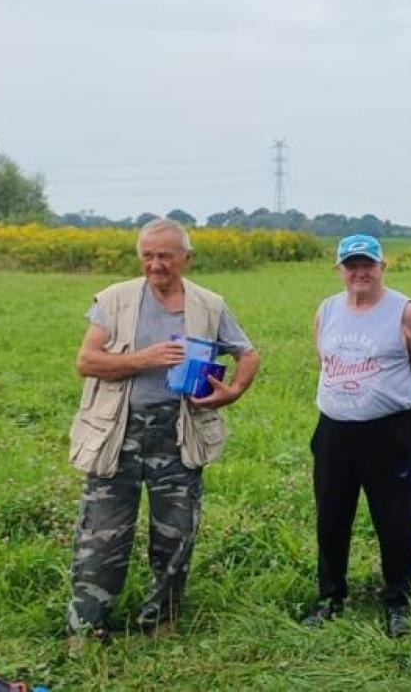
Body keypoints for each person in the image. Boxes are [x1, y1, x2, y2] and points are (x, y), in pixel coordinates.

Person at [66, 218, 260, 644]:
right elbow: (87, 361)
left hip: (178, 431)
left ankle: (161, 620)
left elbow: (247, 353)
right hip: (118, 432)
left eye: (165, 256)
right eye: (148, 255)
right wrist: (144, 359)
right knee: (102, 533)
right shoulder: (114, 300)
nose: (155, 264)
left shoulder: (209, 304)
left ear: (186, 259)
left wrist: (233, 392)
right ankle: (86, 626)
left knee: (176, 531)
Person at [299, 234, 411, 638]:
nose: (359, 272)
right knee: (331, 515)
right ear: (339, 269)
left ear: (382, 266)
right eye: (351, 265)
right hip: (334, 431)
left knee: (394, 519)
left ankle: (398, 600)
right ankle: (330, 596)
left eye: (367, 264)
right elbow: (324, 361)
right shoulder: (327, 311)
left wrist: (399, 407)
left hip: (386, 432)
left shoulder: (404, 312)